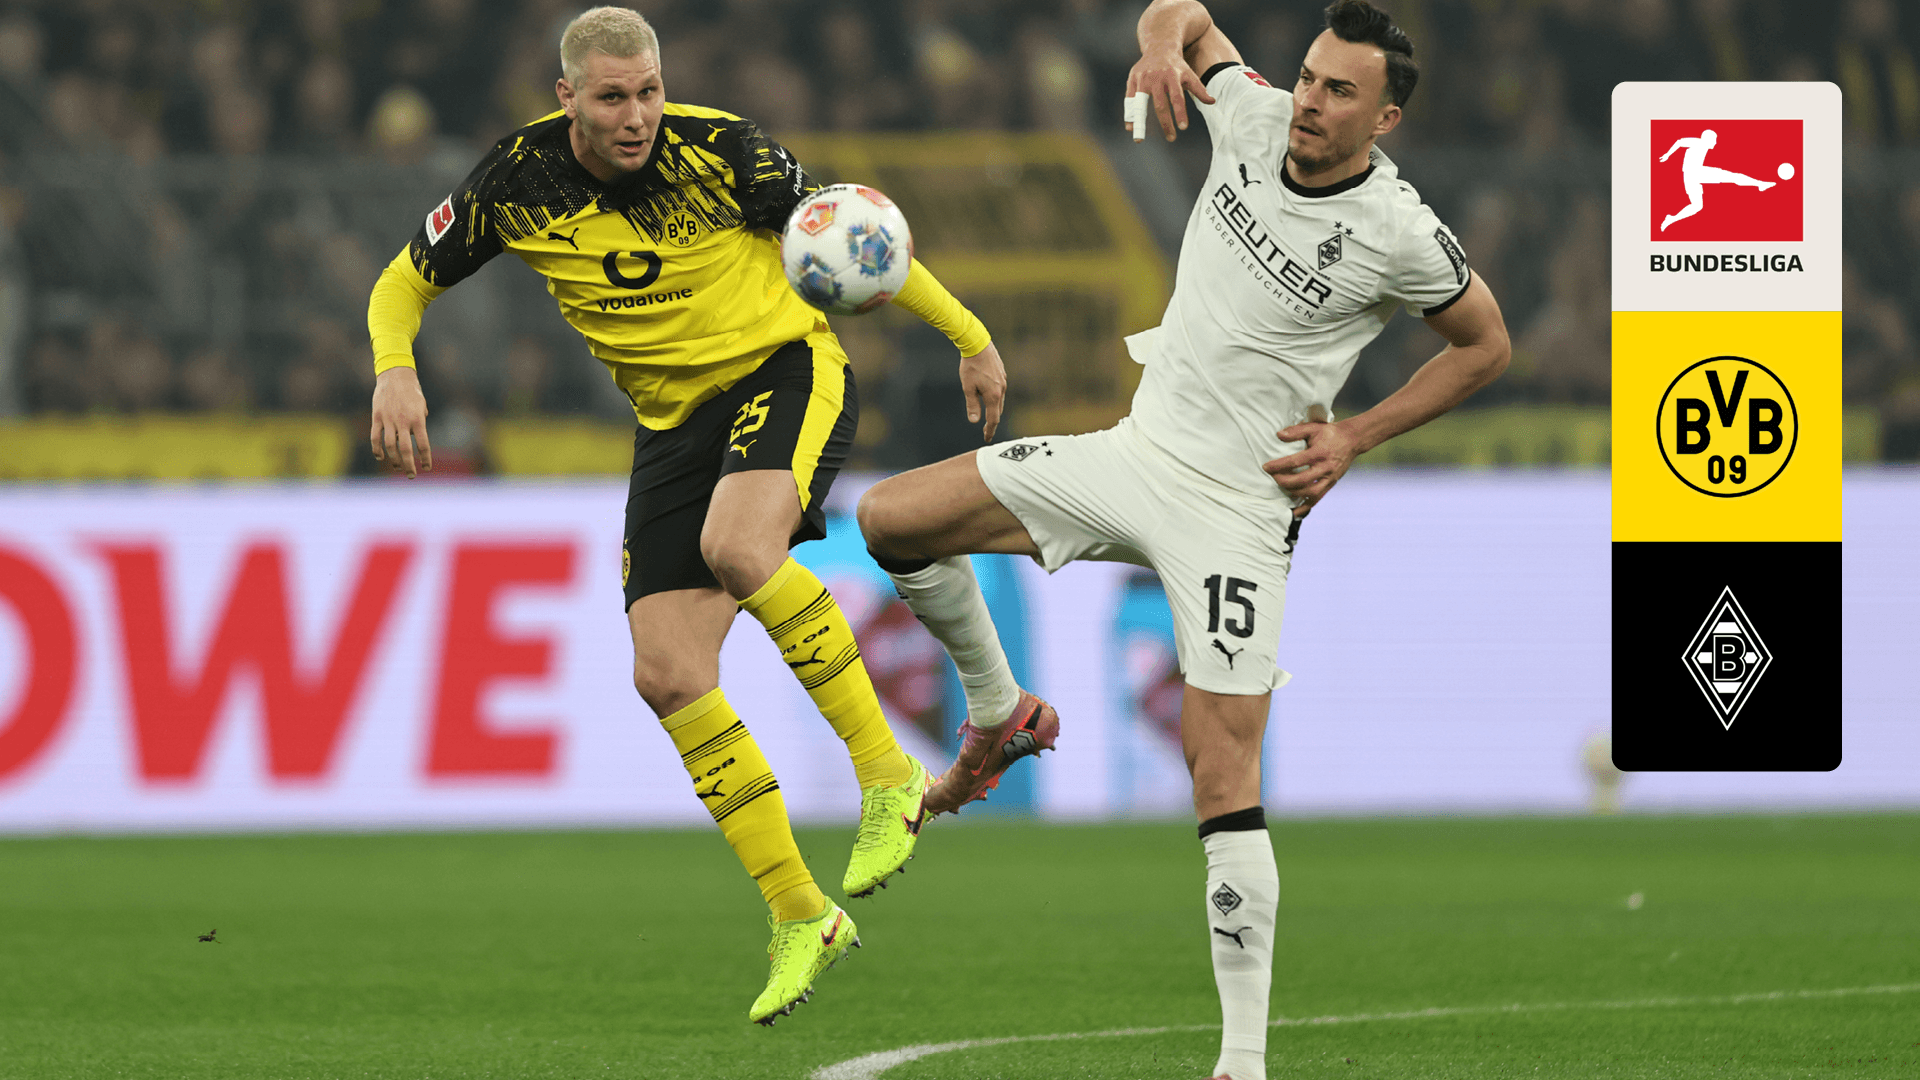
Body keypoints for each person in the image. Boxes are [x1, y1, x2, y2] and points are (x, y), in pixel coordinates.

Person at [857, 1, 1510, 1077]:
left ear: (1384, 119)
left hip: (1240, 511)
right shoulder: (1251, 117)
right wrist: (1160, 46)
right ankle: (999, 712)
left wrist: (1354, 437)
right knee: (890, 519)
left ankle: (1241, 1061)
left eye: (1340, 91)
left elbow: (1485, 345)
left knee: (1220, 770)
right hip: (1133, 455)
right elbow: (1185, 14)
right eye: (1309, 76)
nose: (1310, 100)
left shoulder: (1399, 230)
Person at [364, 5, 1010, 1026]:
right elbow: (402, 283)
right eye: (613, 98)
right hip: (671, 426)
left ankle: (888, 776)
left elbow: (858, 242)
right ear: (567, 99)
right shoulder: (514, 182)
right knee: (666, 672)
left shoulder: (724, 153)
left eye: (650, 92)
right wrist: (394, 368)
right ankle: (801, 914)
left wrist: (969, 336)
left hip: (783, 372)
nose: (637, 116)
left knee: (738, 547)